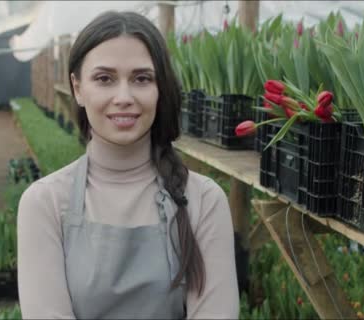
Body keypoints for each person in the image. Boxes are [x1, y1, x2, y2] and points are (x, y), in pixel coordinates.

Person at [17, 10, 239, 319]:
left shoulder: (204, 200)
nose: (124, 96)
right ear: (78, 88)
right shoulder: (46, 202)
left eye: (141, 79)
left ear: (160, 89)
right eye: (104, 79)